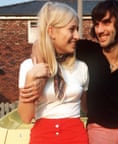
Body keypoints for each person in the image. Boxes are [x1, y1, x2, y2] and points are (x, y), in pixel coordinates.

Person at [24, 0, 118, 144]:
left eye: (106, 23)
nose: (99, 30)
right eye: (96, 24)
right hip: (99, 129)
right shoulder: (87, 51)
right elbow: (47, 42)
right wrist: (39, 63)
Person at [17, 1, 89, 144]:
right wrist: (31, 77)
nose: (77, 36)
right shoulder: (29, 66)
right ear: (51, 31)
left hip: (76, 137)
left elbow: (87, 108)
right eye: (72, 29)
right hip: (42, 137)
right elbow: (26, 117)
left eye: (77, 29)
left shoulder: (82, 67)